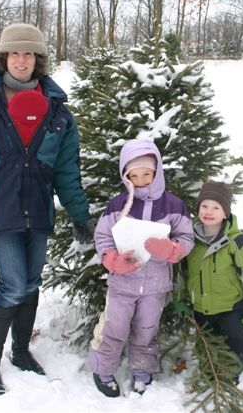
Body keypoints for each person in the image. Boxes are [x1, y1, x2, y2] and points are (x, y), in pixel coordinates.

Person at [0, 23, 97, 396]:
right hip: (1, 212)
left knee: (31, 283)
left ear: (38, 60)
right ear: (4, 58)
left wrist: (80, 214)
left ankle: (21, 351)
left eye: (29, 54)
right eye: (15, 53)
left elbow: (66, 170)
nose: (22, 60)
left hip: (39, 212)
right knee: (12, 284)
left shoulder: (57, 108)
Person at [88, 138, 194, 397]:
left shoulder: (173, 205)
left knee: (147, 328)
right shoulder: (117, 205)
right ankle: (103, 367)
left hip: (156, 284)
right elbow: (102, 237)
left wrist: (172, 249)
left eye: (147, 174)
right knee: (115, 326)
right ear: (126, 176)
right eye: (133, 176)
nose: (141, 180)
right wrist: (112, 259)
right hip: (122, 283)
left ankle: (142, 368)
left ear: (157, 173)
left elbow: (187, 237)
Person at [181, 180, 243, 381]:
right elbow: (182, 273)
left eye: (216, 207)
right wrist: (181, 299)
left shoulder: (236, 242)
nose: (209, 211)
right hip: (201, 307)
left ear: (225, 213)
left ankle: (234, 366)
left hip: (230, 306)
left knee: (235, 338)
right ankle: (209, 365)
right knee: (207, 339)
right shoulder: (190, 240)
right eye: (204, 206)